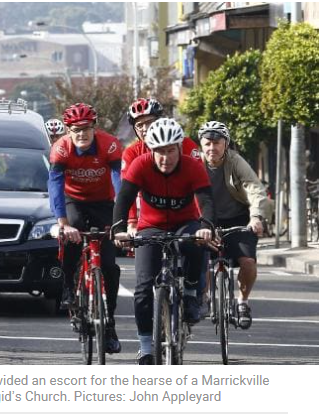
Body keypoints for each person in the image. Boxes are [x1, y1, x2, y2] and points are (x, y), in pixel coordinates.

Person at [112, 118, 215, 365]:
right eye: (159, 151)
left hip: (185, 223)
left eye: (170, 151)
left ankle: (191, 291)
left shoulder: (193, 166)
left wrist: (206, 227)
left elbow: (207, 201)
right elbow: (123, 199)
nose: (165, 158)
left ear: (179, 148)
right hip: (152, 227)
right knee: (143, 289)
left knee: (195, 243)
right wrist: (119, 230)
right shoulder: (140, 164)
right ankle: (146, 346)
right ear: (150, 150)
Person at [48, 103, 123, 353]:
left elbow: (119, 182)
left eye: (86, 129)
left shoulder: (110, 144)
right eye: (76, 129)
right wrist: (62, 223)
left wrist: (120, 220)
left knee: (110, 266)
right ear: (68, 130)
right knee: (72, 237)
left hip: (103, 202)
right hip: (74, 201)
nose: (82, 134)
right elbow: (55, 186)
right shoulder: (60, 149)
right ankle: (69, 286)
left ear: (94, 127)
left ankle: (109, 323)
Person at [198, 121, 269, 329]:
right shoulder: (194, 163)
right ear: (201, 145)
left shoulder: (235, 161)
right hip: (205, 219)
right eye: (207, 143)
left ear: (226, 144)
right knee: (201, 259)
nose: (212, 148)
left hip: (238, 219)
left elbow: (254, 188)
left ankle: (243, 302)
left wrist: (256, 217)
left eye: (217, 143)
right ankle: (205, 297)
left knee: (248, 262)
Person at [123, 98, 200, 236]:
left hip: (186, 217)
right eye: (139, 125)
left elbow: (200, 188)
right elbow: (127, 193)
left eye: (149, 122)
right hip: (152, 219)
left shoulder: (186, 144)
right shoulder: (131, 153)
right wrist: (132, 223)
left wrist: (204, 220)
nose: (145, 129)